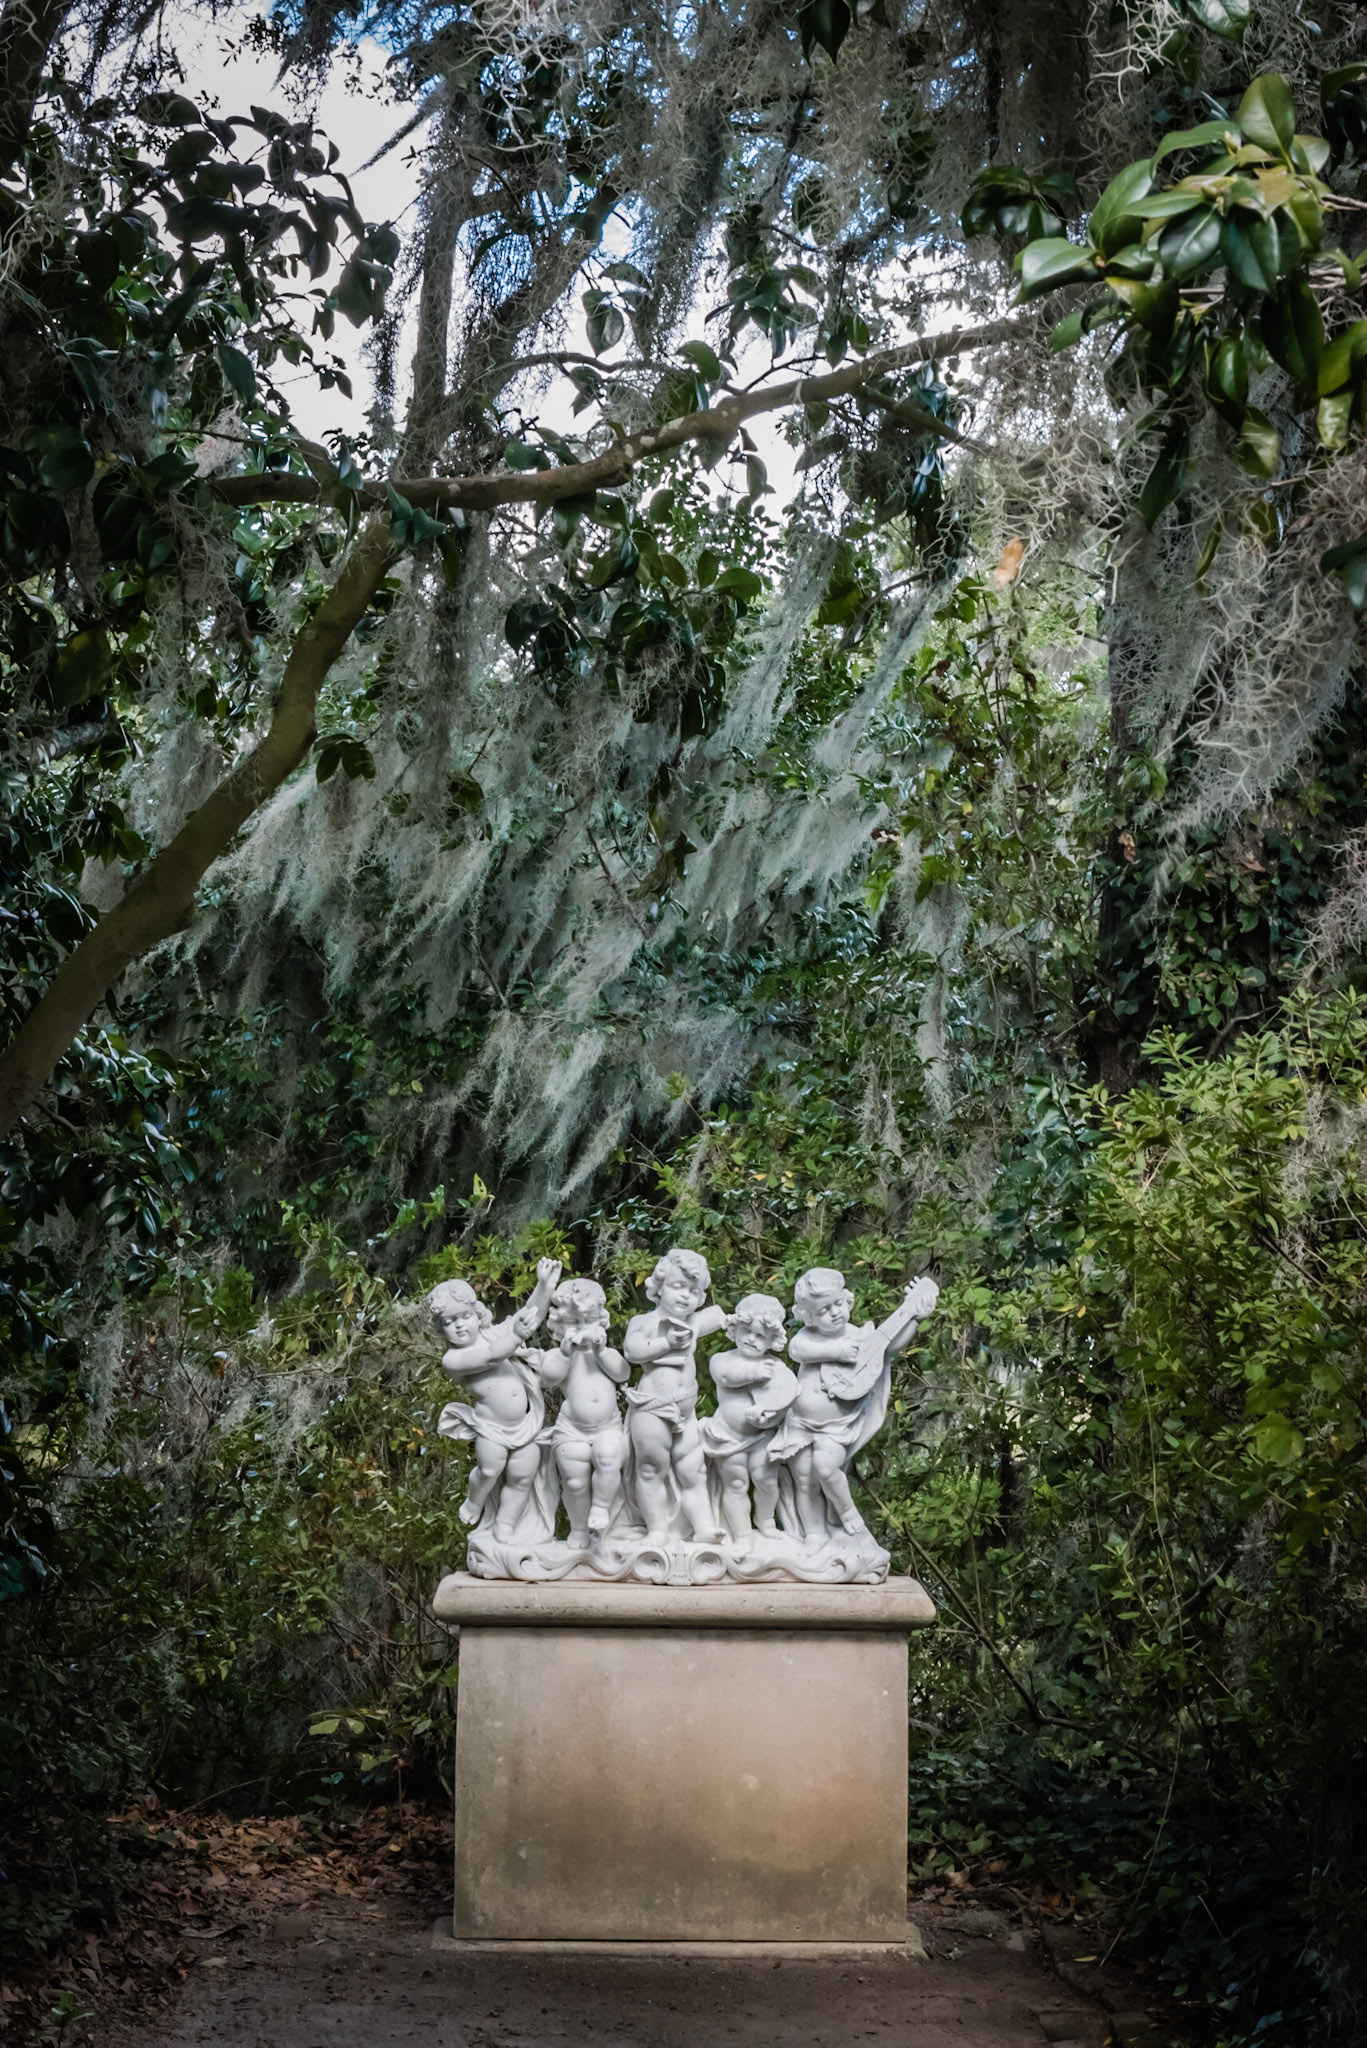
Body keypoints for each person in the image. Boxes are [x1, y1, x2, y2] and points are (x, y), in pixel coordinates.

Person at [769, 1266, 938, 1544]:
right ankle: (813, 1533)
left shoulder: (860, 1336)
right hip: (799, 1423)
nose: (834, 1312)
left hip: (837, 1426)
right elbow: (796, 1350)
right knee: (804, 1479)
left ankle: (847, 1514)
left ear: (847, 1300)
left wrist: (915, 1318)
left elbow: (890, 1347)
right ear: (809, 1317)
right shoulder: (809, 1337)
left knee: (825, 1468)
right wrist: (835, 1351)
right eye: (823, 1310)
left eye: (837, 1304)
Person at [431, 1257, 561, 1541]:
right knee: (490, 1470)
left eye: (464, 1317)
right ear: (440, 1329)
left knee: (522, 1475)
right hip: (491, 1428)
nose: (460, 1326)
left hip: (526, 1425)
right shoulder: (453, 1359)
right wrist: (515, 1336)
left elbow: (529, 1315)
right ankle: (473, 1501)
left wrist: (544, 1286)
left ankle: (505, 1524)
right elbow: (491, 1356)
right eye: (449, 1322)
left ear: (477, 1315)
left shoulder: (493, 1334)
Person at [623, 1248, 727, 1544]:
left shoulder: (694, 1322)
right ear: (658, 1287)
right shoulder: (644, 1322)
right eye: (677, 1286)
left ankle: (704, 1527)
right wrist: (666, 1342)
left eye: (693, 1291)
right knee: (650, 1467)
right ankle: (657, 1529)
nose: (685, 1296)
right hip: (652, 1407)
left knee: (693, 1470)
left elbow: (720, 1315)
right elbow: (633, 1351)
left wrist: (734, 1322)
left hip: (686, 1409)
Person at [523, 1275, 629, 1548]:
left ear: (600, 1321)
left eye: (588, 1321)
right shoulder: (559, 1355)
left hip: (608, 1426)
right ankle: (579, 1528)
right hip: (572, 1429)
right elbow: (548, 1378)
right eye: (573, 1323)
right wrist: (565, 1352)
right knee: (574, 1480)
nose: (581, 1329)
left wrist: (602, 1350)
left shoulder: (604, 1352)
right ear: (559, 1325)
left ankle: (601, 1508)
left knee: (608, 1457)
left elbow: (622, 1372)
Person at [700, 1292, 798, 1548]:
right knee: (735, 1483)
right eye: (746, 1330)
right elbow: (726, 1377)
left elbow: (784, 1399)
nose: (751, 1339)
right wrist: (753, 1373)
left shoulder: (776, 1368)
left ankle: (765, 1520)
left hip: (761, 1438)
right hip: (728, 1437)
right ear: (735, 1329)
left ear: (772, 1340)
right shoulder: (722, 1360)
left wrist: (767, 1415)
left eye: (760, 1336)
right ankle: (742, 1534)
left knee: (766, 1480)